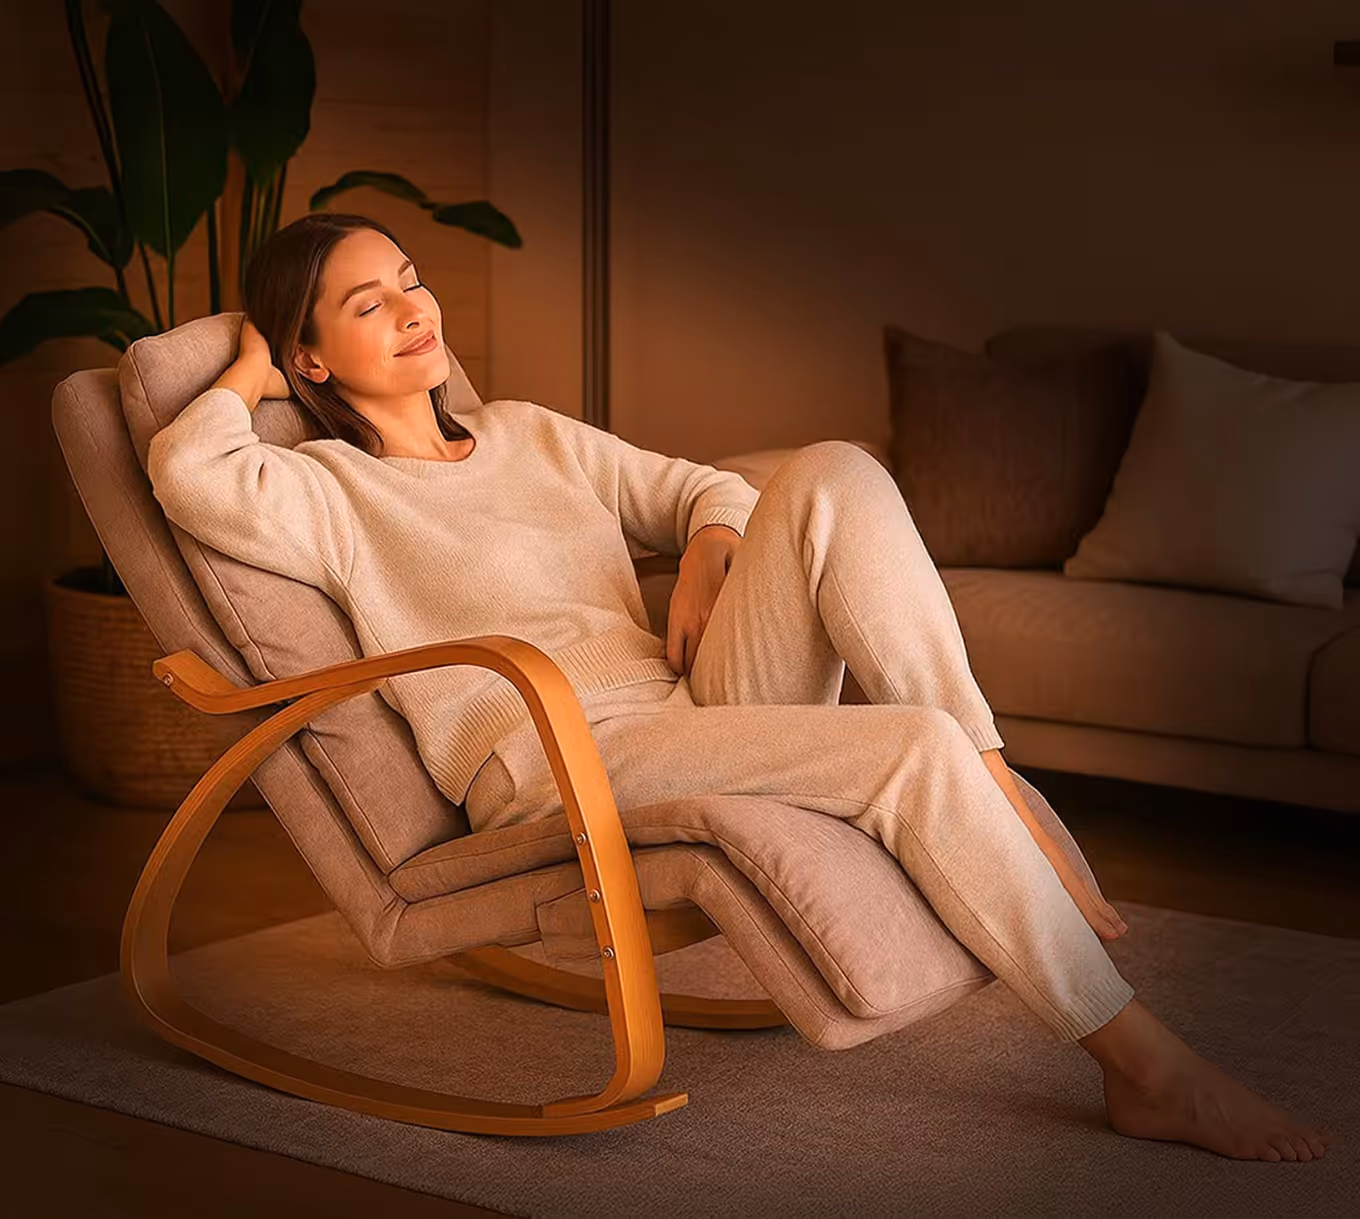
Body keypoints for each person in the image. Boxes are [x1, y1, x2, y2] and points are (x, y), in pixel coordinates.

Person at [148, 212, 1332, 1163]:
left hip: (679, 713)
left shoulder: (528, 433)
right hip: (556, 758)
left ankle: (986, 767)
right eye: (369, 304)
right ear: (310, 359)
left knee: (833, 471)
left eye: (412, 278)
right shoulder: (324, 490)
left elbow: (710, 490)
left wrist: (710, 554)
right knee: (900, 744)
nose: (416, 308)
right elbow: (187, 474)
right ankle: (1144, 1065)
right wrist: (243, 369)